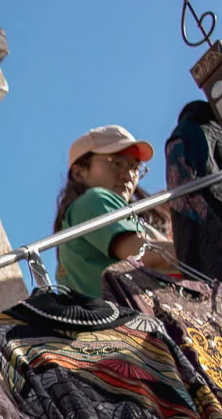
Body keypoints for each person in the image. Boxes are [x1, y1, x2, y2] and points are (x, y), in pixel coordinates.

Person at [53, 125, 175, 299]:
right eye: (117, 163)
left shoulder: (81, 217)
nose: (128, 176)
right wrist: (205, 252)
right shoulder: (93, 200)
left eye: (135, 168)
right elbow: (144, 254)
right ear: (79, 172)